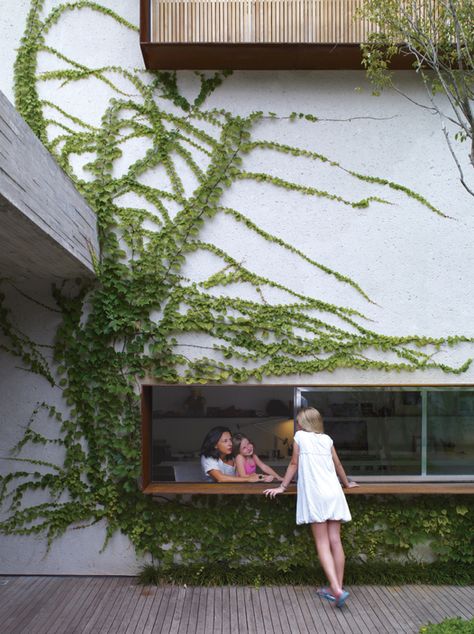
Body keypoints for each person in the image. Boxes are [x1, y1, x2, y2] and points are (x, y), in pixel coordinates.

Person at [264, 407, 358, 608]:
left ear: (304, 423)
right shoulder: (327, 439)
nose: (297, 425)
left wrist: (282, 487)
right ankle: (337, 588)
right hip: (334, 492)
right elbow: (338, 465)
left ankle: (336, 589)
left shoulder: (300, 437)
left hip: (316, 495)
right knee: (336, 541)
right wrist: (347, 484)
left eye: (299, 421)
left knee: (323, 543)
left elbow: (293, 464)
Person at [200, 426, 266, 483]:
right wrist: (249, 479)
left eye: (230, 440)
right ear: (215, 445)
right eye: (225, 441)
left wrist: (262, 477)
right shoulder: (207, 457)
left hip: (235, 491)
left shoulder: (234, 454)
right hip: (213, 493)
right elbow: (220, 478)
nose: (230, 444)